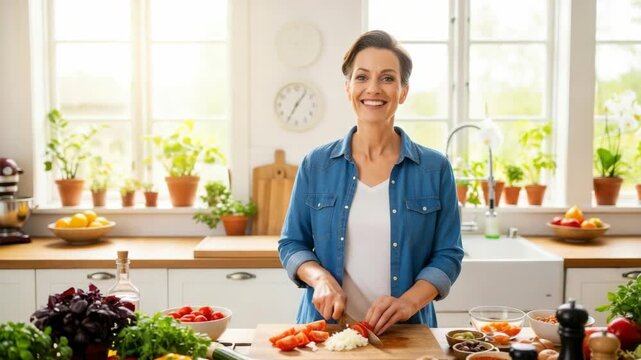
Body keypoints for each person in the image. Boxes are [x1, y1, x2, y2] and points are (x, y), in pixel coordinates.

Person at [278, 30, 463, 335]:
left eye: (387, 78)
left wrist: (408, 303)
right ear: (347, 87)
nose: (373, 89)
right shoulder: (317, 164)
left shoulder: (435, 169)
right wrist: (320, 279)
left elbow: (448, 254)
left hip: (407, 333)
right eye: (362, 77)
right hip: (325, 332)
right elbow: (291, 243)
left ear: (403, 91)